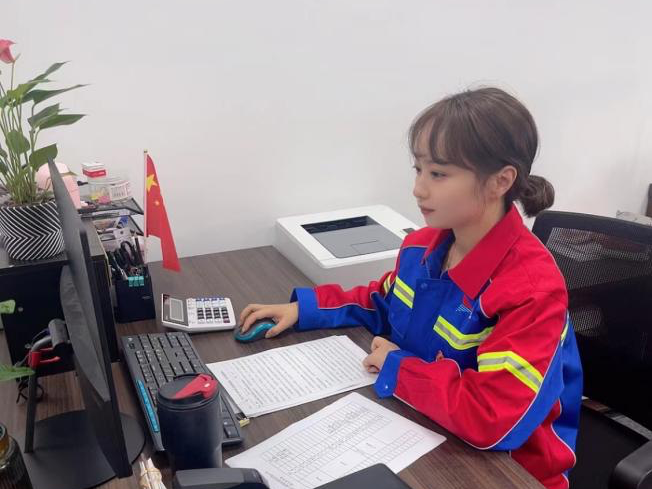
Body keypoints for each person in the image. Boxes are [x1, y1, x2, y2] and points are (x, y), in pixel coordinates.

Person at [239, 87, 582, 489]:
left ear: (500, 181)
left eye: (438, 174)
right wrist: (305, 309)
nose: (419, 189)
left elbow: (493, 418)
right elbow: (381, 301)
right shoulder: (423, 247)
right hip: (425, 429)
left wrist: (398, 367)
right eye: (418, 169)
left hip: (511, 470)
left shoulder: (531, 289)